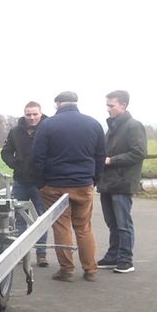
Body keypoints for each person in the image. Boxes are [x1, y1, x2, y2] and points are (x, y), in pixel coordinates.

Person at [31, 91, 106, 282]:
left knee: (61, 226)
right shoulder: (93, 124)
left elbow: (37, 157)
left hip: (54, 185)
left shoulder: (47, 125)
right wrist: (94, 179)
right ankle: (90, 270)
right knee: (84, 227)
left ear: (57, 104)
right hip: (83, 183)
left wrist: (40, 183)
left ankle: (66, 270)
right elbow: (100, 155)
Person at [97, 90, 147, 274]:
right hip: (107, 182)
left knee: (123, 223)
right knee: (112, 222)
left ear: (123, 105)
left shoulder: (134, 126)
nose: (108, 109)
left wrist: (111, 160)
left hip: (122, 182)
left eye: (111, 105)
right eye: (107, 105)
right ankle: (113, 255)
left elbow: (139, 152)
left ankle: (126, 259)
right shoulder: (112, 127)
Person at [1, 101, 49, 267]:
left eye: (35, 114)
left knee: (41, 218)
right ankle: (21, 252)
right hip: (20, 181)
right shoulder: (15, 132)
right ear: (24, 114)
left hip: (41, 182)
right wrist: (15, 164)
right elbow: (6, 152)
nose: (32, 117)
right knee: (19, 218)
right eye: (28, 114)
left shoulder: (48, 129)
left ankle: (41, 253)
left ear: (40, 113)